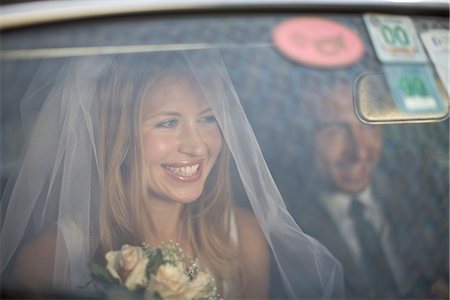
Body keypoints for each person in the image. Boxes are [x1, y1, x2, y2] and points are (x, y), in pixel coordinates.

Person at [0, 51, 343, 299]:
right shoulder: (46, 263)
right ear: (117, 138)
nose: (197, 147)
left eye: (208, 119)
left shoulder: (245, 240)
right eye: (168, 122)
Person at [290, 78, 449, 299]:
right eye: (336, 130)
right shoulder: (287, 226)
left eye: (368, 124)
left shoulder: (424, 193)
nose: (359, 152)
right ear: (303, 137)